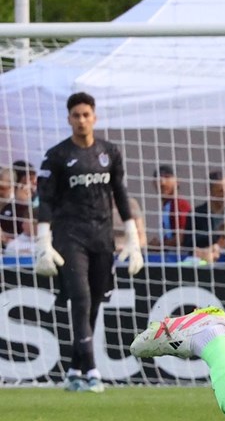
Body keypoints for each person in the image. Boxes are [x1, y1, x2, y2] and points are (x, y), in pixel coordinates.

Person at [34, 92, 144, 392]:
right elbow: (44, 199)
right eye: (76, 115)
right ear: (69, 119)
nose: (81, 120)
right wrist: (43, 239)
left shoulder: (110, 152)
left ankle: (73, 369)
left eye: (86, 114)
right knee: (80, 298)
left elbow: (120, 194)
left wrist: (133, 238)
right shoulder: (57, 155)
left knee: (94, 300)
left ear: (94, 116)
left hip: (103, 236)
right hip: (69, 236)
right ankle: (92, 370)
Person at [184, 169, 225, 254]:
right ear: (210, 192)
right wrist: (216, 238)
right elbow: (188, 243)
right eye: (220, 191)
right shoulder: (196, 214)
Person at [146, 164, 191, 252]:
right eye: (159, 178)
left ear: (177, 181)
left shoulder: (180, 204)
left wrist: (159, 246)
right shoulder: (167, 206)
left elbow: (182, 237)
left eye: (167, 177)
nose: (162, 182)